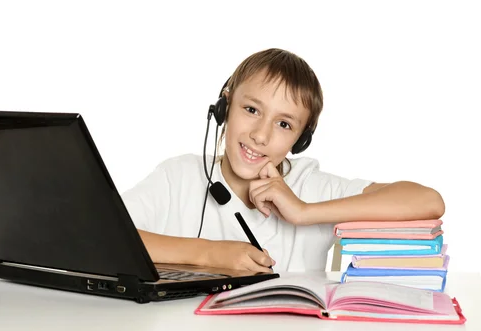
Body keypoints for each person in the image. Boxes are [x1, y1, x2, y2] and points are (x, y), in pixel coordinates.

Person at [121, 48, 445, 274]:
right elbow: (107, 237)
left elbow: (427, 201)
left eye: (284, 124)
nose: (261, 135)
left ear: (301, 139)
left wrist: (304, 212)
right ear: (225, 106)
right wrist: (209, 253)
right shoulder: (178, 176)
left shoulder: (308, 185)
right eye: (251, 110)